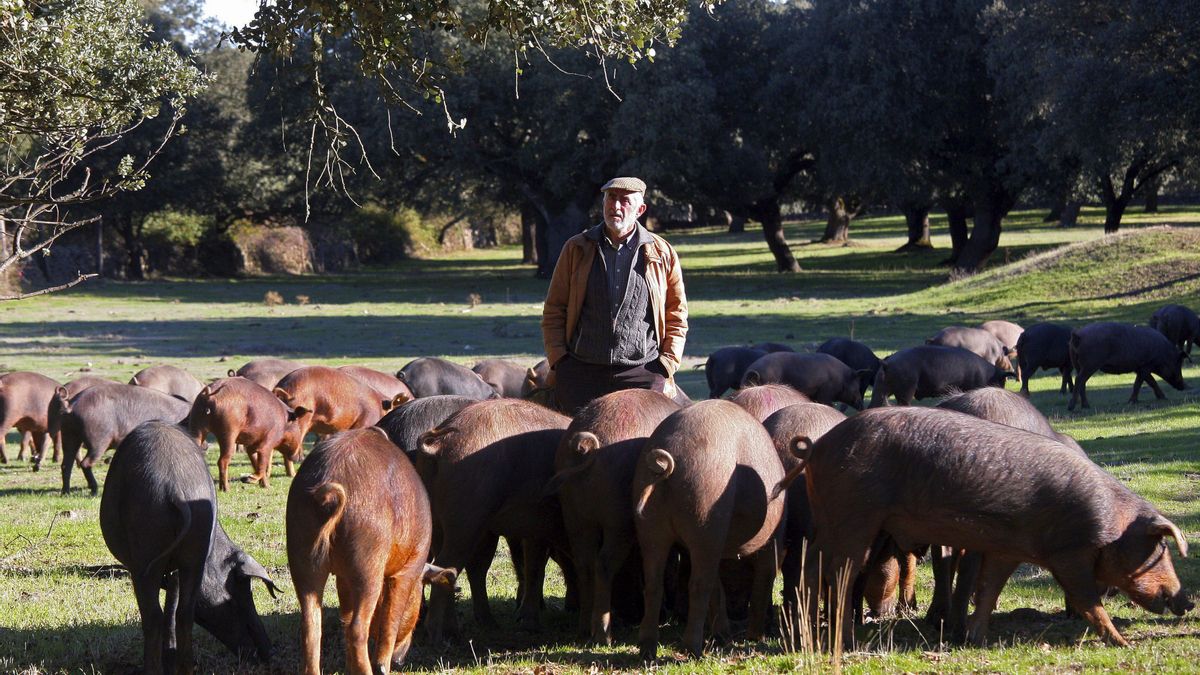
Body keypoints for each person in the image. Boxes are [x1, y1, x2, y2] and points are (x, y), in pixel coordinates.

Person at [541, 176, 688, 415]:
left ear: (640, 210)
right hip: (580, 370)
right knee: (574, 446)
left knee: (638, 448)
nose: (615, 207)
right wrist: (559, 359)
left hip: (642, 372)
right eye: (611, 198)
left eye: (624, 201)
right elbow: (554, 308)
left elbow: (677, 315)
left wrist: (666, 364)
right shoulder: (576, 248)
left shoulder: (663, 253)